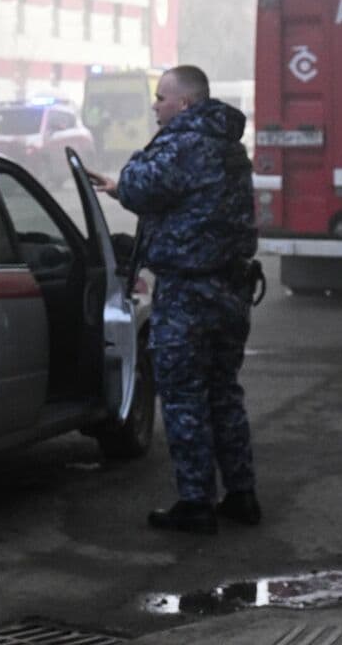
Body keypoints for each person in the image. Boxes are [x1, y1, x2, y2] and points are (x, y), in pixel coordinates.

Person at [89, 64, 259, 535]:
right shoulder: (228, 146)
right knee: (224, 394)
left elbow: (143, 184)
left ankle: (196, 503)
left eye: (161, 98)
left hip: (188, 292)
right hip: (231, 290)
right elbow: (176, 195)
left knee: (184, 399)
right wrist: (123, 188)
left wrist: (124, 184)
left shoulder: (183, 142)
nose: (155, 106)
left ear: (183, 103)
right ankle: (241, 494)